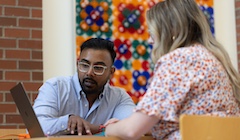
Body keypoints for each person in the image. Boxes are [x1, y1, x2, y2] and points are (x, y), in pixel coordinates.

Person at [105, 0, 240, 139]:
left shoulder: (179, 60)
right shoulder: (213, 59)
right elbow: (189, 122)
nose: (150, 41)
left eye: (152, 34)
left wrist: (111, 128)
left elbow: (131, 130)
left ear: (172, 32)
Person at [33, 38, 135, 136]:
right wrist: (68, 121)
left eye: (98, 68)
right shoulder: (56, 87)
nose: (89, 73)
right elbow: (36, 127)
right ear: (77, 65)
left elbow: (133, 127)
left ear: (111, 73)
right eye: (84, 65)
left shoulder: (119, 97)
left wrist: (95, 128)